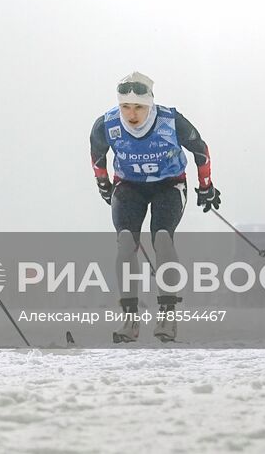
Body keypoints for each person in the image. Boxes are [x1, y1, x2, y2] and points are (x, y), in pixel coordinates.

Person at [89, 71, 215, 343]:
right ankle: (130, 321)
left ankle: (167, 318)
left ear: (150, 104)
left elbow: (200, 149)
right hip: (129, 186)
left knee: (162, 240)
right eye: (125, 107)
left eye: (139, 107)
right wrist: (103, 184)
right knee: (125, 243)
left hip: (168, 185)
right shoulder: (106, 124)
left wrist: (206, 185)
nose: (132, 114)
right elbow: (97, 156)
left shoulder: (170, 120)